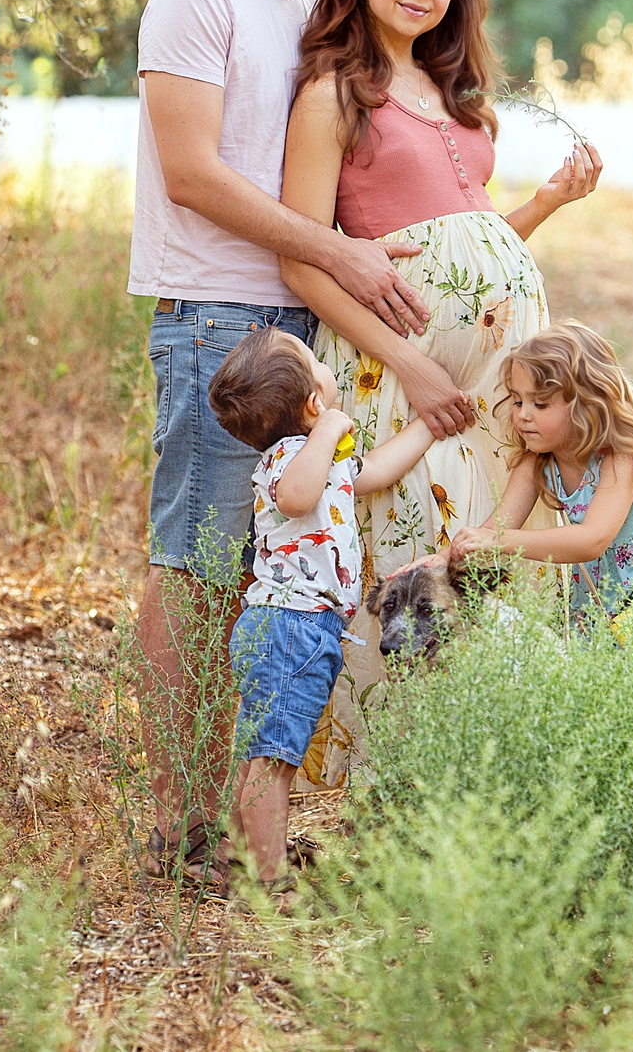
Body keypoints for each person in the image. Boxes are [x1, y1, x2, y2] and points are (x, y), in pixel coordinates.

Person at [129, 0, 436, 882]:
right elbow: (194, 175)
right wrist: (338, 254)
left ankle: (236, 813)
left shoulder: (303, 2)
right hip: (214, 321)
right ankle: (178, 826)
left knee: (269, 575)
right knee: (198, 568)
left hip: (298, 324)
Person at [275, 0, 603, 778]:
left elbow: (477, 242)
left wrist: (546, 203)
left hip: (494, 385)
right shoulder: (333, 94)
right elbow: (304, 263)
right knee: (410, 550)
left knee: (488, 558)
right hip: (399, 378)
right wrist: (414, 366)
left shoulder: (453, 98)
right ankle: (399, 773)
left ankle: (491, 761)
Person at [205, 328, 438, 892]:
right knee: (275, 759)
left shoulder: (318, 457)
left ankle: (236, 855)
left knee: (263, 749)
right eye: (316, 362)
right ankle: (269, 878)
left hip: (304, 628)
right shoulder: (286, 459)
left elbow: (374, 471)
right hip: (290, 626)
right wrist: (330, 429)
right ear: (313, 403)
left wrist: (429, 426)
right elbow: (296, 498)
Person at [450, 322, 633, 632]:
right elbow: (494, 529)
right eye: (517, 400)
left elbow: (592, 539)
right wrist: (446, 557)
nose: (523, 414)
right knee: (613, 651)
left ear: (587, 406)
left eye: (540, 404)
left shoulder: (623, 455)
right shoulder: (536, 462)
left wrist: (497, 541)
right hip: (616, 575)